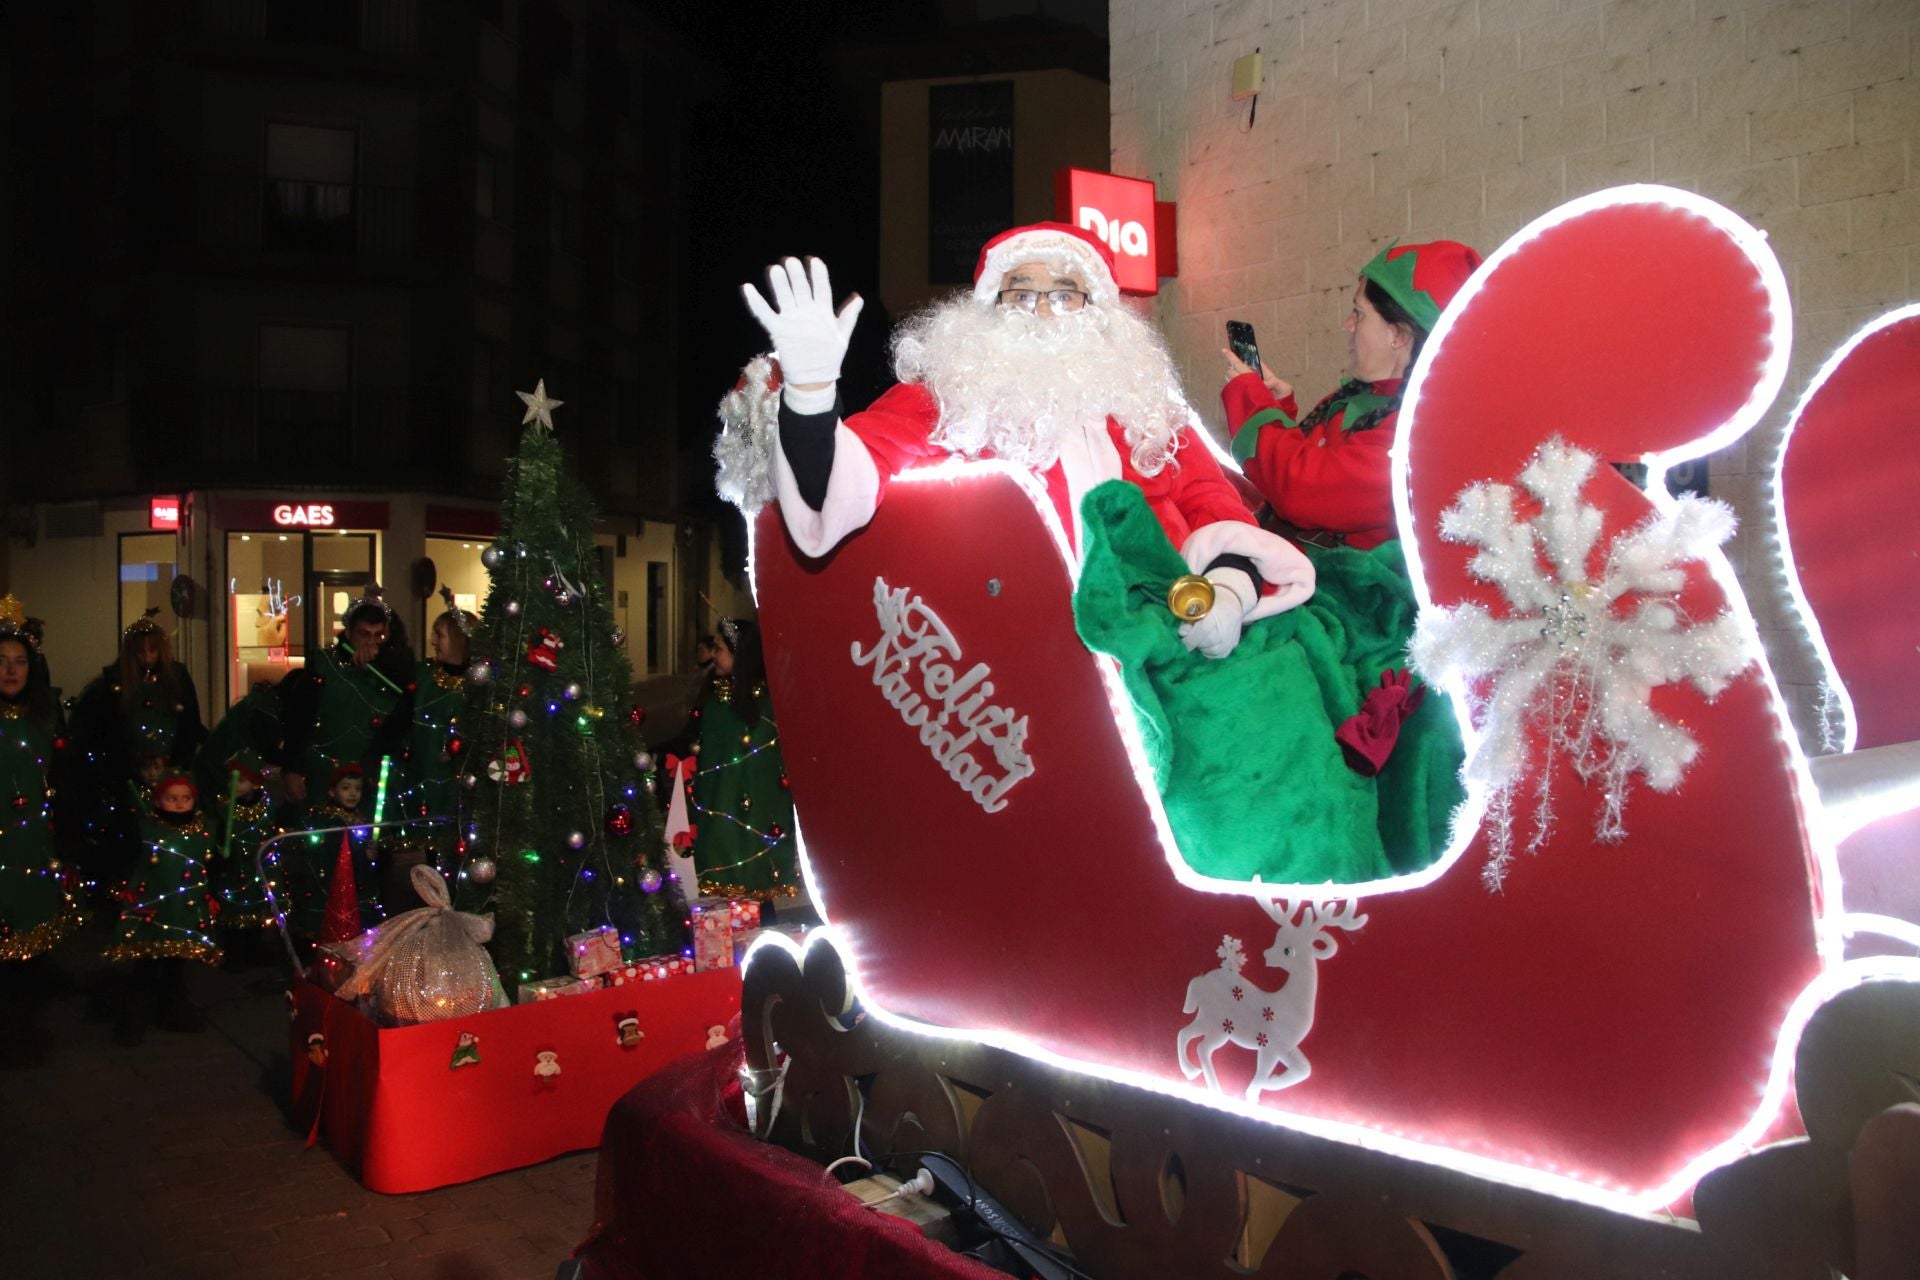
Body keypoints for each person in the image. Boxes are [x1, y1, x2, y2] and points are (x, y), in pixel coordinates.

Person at [742, 221, 1314, 661]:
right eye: (1022, 295)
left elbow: (1215, 508)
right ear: (988, 312)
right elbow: (839, 484)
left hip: (1162, 636)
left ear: (1100, 315)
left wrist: (1231, 587)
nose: (1043, 312)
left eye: (1066, 295)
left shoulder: (1149, 412)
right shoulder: (945, 398)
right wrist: (812, 394)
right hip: (1013, 659)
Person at [1221, 239, 1483, 549]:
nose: (1347, 325)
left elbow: (1306, 493)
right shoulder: (1364, 397)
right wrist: (1276, 408)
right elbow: (1312, 465)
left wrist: (1254, 404)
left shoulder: (1427, 430)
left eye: (1359, 313)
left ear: (1398, 334)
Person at [0, 606, 85, 1067]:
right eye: (1, 661)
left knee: (25, 940)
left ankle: (21, 1026)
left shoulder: (41, 717)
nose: (11, 670)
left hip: (31, 843)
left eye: (19, 661)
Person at [69, 611, 207, 893]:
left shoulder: (176, 678)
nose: (147, 657)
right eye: (141, 651)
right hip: (127, 775)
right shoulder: (113, 682)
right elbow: (101, 731)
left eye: (153, 650)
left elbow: (190, 723)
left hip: (172, 772)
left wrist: (176, 766)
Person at [104, 771, 221, 1043]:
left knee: (176, 967)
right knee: (145, 966)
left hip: (185, 909)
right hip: (153, 911)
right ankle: (134, 1019)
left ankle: (172, 1010)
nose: (179, 804)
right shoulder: (147, 828)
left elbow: (209, 864)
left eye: (185, 798)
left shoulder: (203, 829)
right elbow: (130, 858)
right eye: (172, 798)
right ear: (159, 801)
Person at [689, 618, 796, 902]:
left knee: (752, 896)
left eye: (721, 648)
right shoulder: (719, 703)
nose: (714, 655)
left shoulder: (763, 706)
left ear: (741, 656)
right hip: (723, 821)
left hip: (754, 824)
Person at [389, 593, 474, 908]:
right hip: (428, 781)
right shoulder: (422, 675)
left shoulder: (479, 683)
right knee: (434, 856)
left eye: (440, 635)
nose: (433, 642)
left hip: (463, 786)